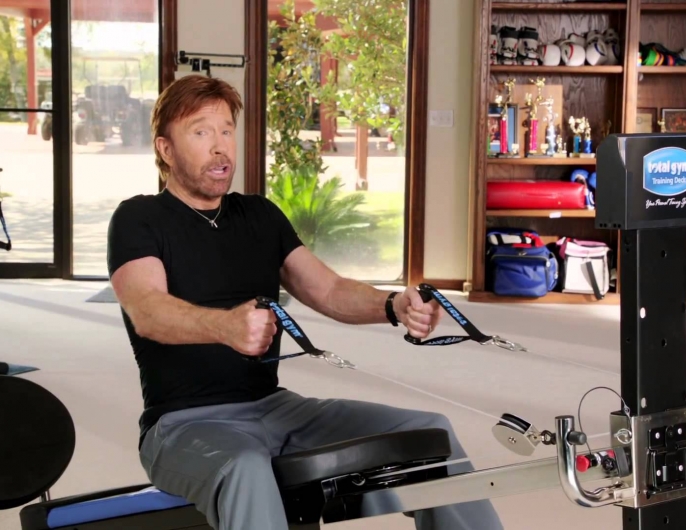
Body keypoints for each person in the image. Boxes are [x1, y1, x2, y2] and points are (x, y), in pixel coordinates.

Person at [107, 74, 503, 530]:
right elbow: (147, 310)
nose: (220, 148)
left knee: (430, 434)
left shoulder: (259, 215)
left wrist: (394, 304)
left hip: (278, 409)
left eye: (227, 131)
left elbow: (328, 290)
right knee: (245, 466)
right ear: (166, 149)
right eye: (201, 133)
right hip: (182, 425)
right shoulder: (139, 218)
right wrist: (225, 326)